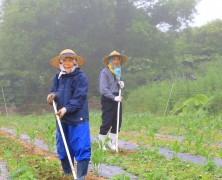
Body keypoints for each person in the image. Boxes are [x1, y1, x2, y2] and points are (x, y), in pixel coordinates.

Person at [47, 49, 91, 179]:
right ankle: (67, 174)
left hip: (78, 118)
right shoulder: (58, 76)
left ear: (75, 62)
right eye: (64, 60)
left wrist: (66, 109)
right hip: (62, 118)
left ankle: (80, 176)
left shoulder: (81, 77)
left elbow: (79, 98)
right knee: (64, 147)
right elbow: (53, 91)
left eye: (70, 60)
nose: (67, 63)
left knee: (81, 146)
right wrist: (51, 96)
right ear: (61, 62)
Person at [98, 50, 128, 151]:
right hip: (108, 99)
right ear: (110, 61)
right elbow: (103, 89)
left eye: (117, 59)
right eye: (114, 59)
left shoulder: (118, 71)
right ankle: (101, 144)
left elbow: (117, 84)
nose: (116, 61)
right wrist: (113, 97)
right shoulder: (104, 72)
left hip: (117, 97)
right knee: (107, 121)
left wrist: (120, 83)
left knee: (117, 122)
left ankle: (111, 143)